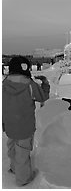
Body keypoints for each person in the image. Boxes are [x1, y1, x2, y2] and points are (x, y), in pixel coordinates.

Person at [2, 56, 50, 186]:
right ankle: (23, 179)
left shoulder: (4, 84)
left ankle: (14, 168)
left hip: (10, 125)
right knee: (22, 152)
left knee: (12, 147)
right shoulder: (29, 84)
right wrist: (45, 84)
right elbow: (42, 97)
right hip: (25, 126)